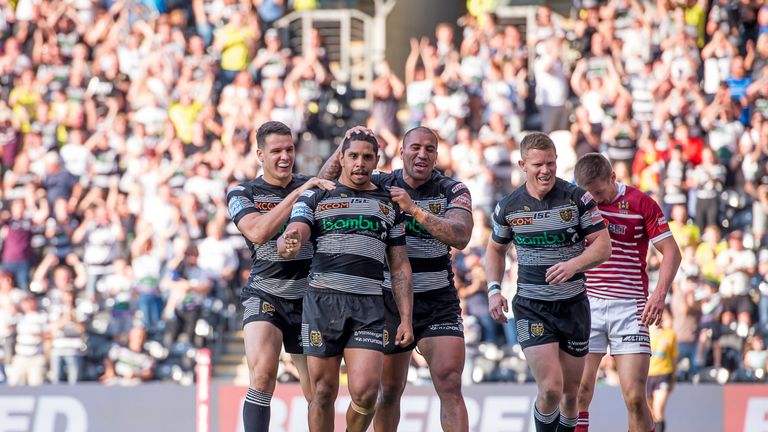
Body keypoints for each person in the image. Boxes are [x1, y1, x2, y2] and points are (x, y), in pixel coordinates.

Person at [318, 126, 473, 432]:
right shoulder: (380, 183)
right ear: (401, 152)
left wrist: (414, 210)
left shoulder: (452, 190)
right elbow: (325, 186)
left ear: (436, 156)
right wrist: (344, 146)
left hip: (436, 299)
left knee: (450, 382)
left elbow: (461, 236)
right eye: (415, 147)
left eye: (430, 149)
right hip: (387, 299)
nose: (422, 154)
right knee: (389, 390)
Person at [277, 131, 414, 432]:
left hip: (369, 305)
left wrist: (406, 318)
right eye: (353, 156)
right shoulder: (316, 195)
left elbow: (400, 266)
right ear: (341, 158)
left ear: (376, 161)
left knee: (366, 395)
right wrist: (291, 239)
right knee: (323, 392)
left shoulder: (388, 204)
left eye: (367, 157)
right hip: (322, 303)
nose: (360, 163)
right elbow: (297, 229)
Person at [485, 132, 611, 432]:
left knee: (571, 395)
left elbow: (603, 246)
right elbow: (495, 248)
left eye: (551, 163)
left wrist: (574, 264)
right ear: (522, 165)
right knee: (551, 389)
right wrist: (494, 290)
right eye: (538, 164)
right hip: (532, 306)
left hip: (573, 306)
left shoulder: (576, 198)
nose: (546, 170)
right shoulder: (509, 207)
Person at [226, 121, 335, 432]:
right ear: (260, 154)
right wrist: (298, 194)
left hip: (309, 299)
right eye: (276, 151)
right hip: (266, 294)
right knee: (262, 377)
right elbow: (258, 231)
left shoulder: (311, 187)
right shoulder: (242, 191)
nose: (285, 156)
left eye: (289, 149)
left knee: (319, 390)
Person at [572, 153, 682, 432]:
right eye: (588, 194)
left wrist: (658, 294)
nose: (594, 201)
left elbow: (672, 252)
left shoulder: (641, 203)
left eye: (598, 192)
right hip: (588, 304)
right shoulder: (578, 202)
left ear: (613, 177)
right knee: (579, 392)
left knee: (634, 398)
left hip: (630, 307)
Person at [647, 308, 678, 432]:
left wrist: (673, 377)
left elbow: (674, 357)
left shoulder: (670, 334)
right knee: (651, 414)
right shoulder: (647, 332)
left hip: (663, 374)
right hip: (648, 375)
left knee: (658, 409)